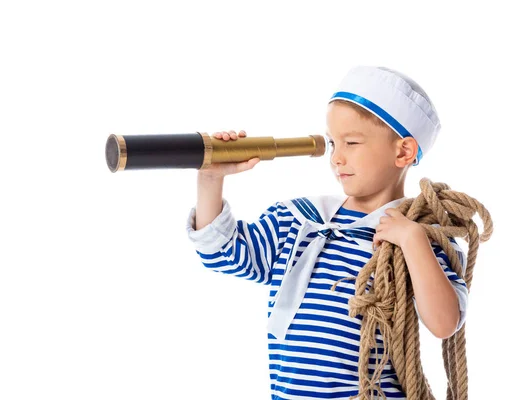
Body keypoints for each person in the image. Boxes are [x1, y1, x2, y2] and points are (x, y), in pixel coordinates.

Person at [185, 65, 468, 399]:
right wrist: (210, 179)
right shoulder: (299, 221)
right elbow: (223, 254)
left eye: (351, 142)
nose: (336, 157)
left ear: (403, 151)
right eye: (333, 142)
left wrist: (411, 239)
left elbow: (444, 322)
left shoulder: (417, 235)